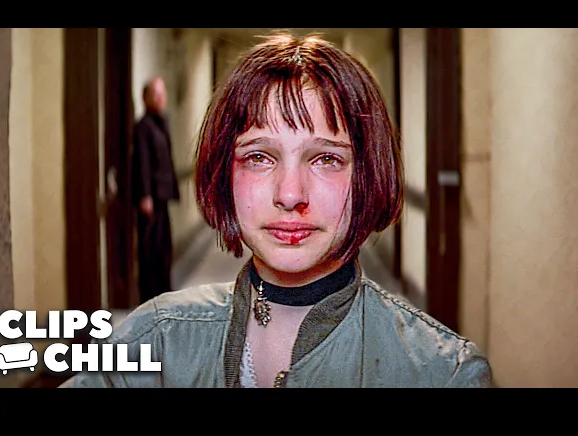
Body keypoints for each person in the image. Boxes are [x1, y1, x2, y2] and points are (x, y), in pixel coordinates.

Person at [61, 32, 492, 388]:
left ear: (368, 175)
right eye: (259, 157)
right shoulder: (156, 340)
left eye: (326, 159)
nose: (289, 194)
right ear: (224, 174)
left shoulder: (442, 372)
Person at [131, 76, 180, 304]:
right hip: (152, 197)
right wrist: (145, 195)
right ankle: (150, 299)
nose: (160, 98)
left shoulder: (163, 122)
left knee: (164, 249)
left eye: (162, 93)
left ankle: (164, 293)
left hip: (163, 194)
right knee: (150, 250)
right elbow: (142, 162)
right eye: (155, 94)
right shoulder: (143, 127)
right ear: (145, 98)